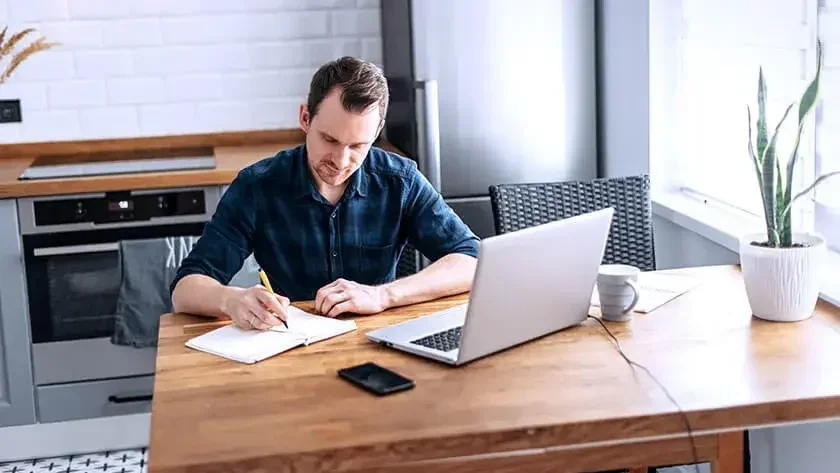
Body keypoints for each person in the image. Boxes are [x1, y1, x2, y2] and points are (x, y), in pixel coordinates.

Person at [170, 57, 480, 331]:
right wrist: (230, 299)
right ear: (305, 118)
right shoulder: (257, 186)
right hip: (291, 346)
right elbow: (185, 289)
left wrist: (382, 295)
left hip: (380, 342)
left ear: (377, 132)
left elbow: (472, 259)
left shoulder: (400, 181)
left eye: (358, 146)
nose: (341, 161)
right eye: (330, 139)